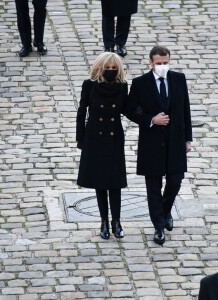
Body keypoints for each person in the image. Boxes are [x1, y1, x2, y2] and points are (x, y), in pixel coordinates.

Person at [127, 45, 192, 245]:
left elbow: (185, 109)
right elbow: (129, 109)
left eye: (166, 63)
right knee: (153, 187)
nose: (163, 66)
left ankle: (165, 211)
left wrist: (187, 139)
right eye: (159, 63)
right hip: (152, 142)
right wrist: (150, 119)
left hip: (175, 141)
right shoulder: (140, 83)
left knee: (175, 181)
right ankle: (158, 227)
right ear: (151, 63)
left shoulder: (179, 79)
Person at [76, 52, 129, 240]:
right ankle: (104, 221)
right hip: (95, 137)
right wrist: (80, 139)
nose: (111, 71)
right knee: (100, 182)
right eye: (108, 68)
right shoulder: (89, 86)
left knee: (115, 182)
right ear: (100, 68)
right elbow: (82, 111)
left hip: (114, 137)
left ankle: (117, 221)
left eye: (114, 68)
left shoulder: (122, 87)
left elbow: (127, 109)